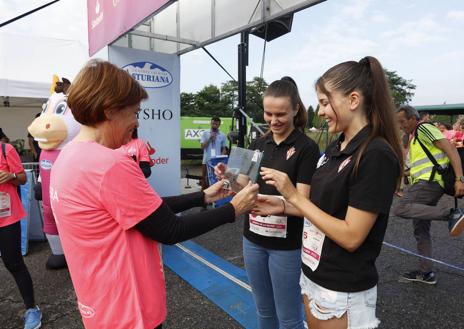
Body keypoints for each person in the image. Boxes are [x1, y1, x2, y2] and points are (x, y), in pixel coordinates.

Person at [49, 59, 258, 329]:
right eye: (134, 113)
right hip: (129, 311)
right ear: (110, 110)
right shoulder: (109, 165)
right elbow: (170, 229)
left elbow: (146, 210)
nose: (136, 122)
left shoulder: (67, 158)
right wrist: (234, 209)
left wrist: (201, 197)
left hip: (100, 304)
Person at [259, 57, 403, 329]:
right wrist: (280, 206)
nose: (321, 112)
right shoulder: (337, 147)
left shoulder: (375, 154)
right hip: (314, 271)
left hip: (343, 285)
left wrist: (293, 196)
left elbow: (351, 236)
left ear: (353, 100)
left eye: (325, 103)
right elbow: (321, 209)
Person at [217, 77, 320, 329]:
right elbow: (242, 186)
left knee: (289, 318)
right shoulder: (258, 143)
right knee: (264, 312)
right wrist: (228, 176)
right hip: (252, 239)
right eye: (268, 113)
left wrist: (279, 201)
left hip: (287, 246)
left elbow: (304, 205)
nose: (273, 120)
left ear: (296, 109)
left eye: (281, 114)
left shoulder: (307, 148)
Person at [394, 105, 464, 284]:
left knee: (401, 208)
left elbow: (451, 149)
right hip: (425, 182)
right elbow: (423, 164)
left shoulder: (423, 128)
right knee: (421, 229)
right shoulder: (415, 137)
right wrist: (406, 174)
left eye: (403, 122)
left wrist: (459, 179)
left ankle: (450, 215)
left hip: (429, 183)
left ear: (413, 118)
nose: (401, 126)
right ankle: (426, 273)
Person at [1, 141, 42, 329]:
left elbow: (22, 178)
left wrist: (10, 176)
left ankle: (32, 309)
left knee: (14, 262)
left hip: (7, 216)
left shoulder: (5, 149)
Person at [200, 117, 227, 189]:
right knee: (204, 179)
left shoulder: (223, 135)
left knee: (217, 179)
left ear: (219, 125)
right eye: (213, 123)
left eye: (216, 124)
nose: (214, 125)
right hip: (206, 160)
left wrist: (221, 158)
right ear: (210, 123)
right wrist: (209, 138)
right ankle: (203, 196)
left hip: (217, 161)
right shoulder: (205, 133)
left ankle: (215, 196)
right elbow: (202, 147)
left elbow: (224, 148)